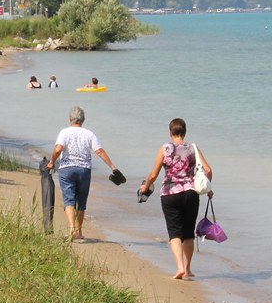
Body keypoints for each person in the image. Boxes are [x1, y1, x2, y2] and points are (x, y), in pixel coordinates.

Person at [137, 118, 213, 279]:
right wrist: (209, 189)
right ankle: (188, 269)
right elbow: (208, 170)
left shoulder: (165, 148)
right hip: (190, 194)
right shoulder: (193, 148)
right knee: (188, 234)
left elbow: (153, 174)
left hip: (170, 194)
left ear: (170, 132)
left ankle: (179, 267)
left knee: (174, 233)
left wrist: (145, 186)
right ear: (185, 132)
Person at [46, 106, 119, 242]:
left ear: (70, 119)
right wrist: (112, 166)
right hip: (84, 170)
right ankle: (78, 232)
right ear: (83, 120)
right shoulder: (89, 134)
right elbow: (99, 151)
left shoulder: (64, 132)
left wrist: (52, 161)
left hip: (67, 169)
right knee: (81, 202)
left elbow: (58, 149)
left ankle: (71, 229)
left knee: (69, 201)